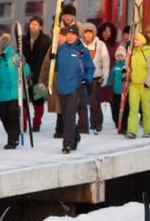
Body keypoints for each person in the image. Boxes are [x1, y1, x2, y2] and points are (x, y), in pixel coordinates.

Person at [54, 25, 94, 154]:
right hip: (62, 87)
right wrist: (52, 61)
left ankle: (67, 144)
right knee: (65, 116)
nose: (70, 37)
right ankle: (75, 136)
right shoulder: (60, 49)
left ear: (77, 36)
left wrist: (86, 79)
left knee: (70, 115)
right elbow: (55, 69)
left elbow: (90, 67)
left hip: (75, 87)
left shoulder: (82, 51)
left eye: (73, 35)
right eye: (68, 35)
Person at [0, 34, 25, 149]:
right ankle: (13, 134)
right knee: (3, 115)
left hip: (15, 92)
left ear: (1, 48)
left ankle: (13, 140)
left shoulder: (14, 57)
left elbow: (26, 72)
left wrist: (23, 64)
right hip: (4, 93)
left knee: (13, 116)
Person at [20, 16, 51, 132]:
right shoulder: (22, 39)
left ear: (41, 27)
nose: (33, 26)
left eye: (35, 24)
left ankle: (37, 122)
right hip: (25, 74)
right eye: (31, 24)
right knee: (24, 100)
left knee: (38, 100)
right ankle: (23, 123)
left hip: (40, 75)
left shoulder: (46, 40)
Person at [124, 33, 150, 140]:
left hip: (145, 85)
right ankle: (131, 131)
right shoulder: (132, 52)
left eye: (137, 39)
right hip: (133, 84)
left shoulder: (149, 53)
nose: (135, 41)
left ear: (142, 41)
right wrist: (126, 72)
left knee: (146, 107)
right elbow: (128, 66)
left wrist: (148, 83)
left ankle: (148, 129)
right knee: (133, 108)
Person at [81, 22, 109, 134]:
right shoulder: (79, 44)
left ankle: (97, 122)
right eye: (86, 33)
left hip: (95, 76)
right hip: (82, 76)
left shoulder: (100, 44)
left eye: (90, 33)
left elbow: (105, 61)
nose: (88, 35)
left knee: (94, 102)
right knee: (82, 102)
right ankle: (83, 124)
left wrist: (105, 76)